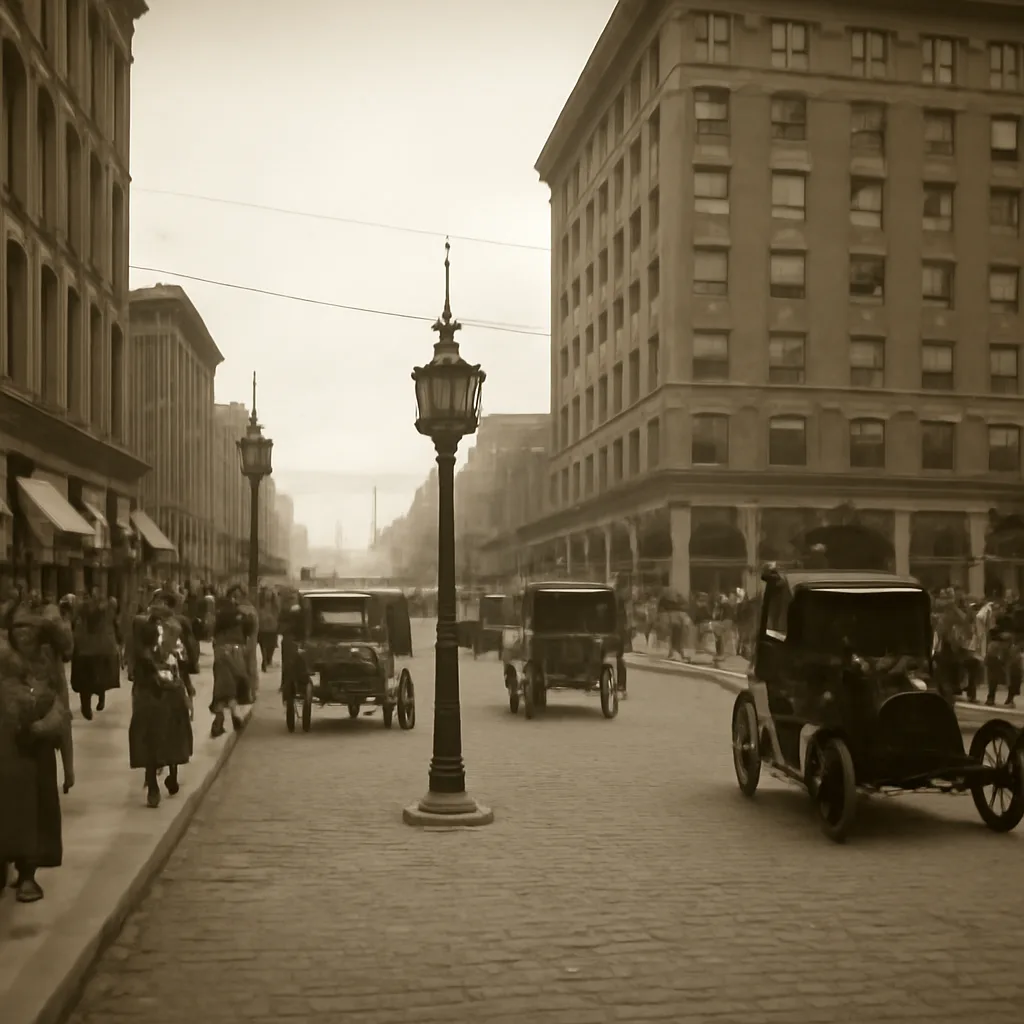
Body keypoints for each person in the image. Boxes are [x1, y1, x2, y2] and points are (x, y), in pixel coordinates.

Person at [0, 605, 74, 903]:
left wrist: (68, 765)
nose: (24, 634)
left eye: (30, 628)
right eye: (18, 628)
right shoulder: (4, 661)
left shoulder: (48, 661)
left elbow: (61, 705)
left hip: (37, 747)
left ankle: (28, 873)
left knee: (37, 809)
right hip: (5, 744)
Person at [127, 596, 194, 808]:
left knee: (175, 729)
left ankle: (172, 772)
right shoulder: (142, 626)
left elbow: (183, 658)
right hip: (149, 687)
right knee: (150, 732)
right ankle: (153, 781)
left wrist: (186, 683)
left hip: (172, 686)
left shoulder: (176, 626)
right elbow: (139, 655)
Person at [70, 587, 121, 719]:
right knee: (97, 678)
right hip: (95, 649)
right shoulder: (105, 608)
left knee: (88, 680)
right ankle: (93, 702)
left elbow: (73, 622)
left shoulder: (82, 607)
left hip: (87, 649)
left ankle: (88, 705)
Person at [210, 585, 253, 737]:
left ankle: (221, 715)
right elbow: (249, 631)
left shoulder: (220, 612)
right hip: (236, 649)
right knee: (236, 682)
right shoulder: (243, 614)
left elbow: (213, 631)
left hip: (221, 650)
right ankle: (234, 713)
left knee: (223, 683)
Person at [257, 586, 279, 671]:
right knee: (264, 644)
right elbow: (257, 611)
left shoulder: (275, 603)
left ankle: (268, 659)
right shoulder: (260, 601)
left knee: (271, 645)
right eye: (266, 591)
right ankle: (265, 659)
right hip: (263, 627)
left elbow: (278, 611)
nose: (268, 594)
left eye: (270, 592)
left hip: (272, 627)